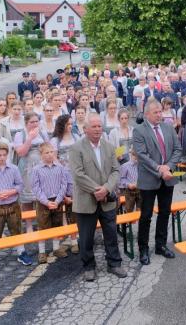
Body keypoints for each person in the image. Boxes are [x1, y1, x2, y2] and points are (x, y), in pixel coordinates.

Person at [68, 113, 127, 281]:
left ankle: (114, 263)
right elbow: (78, 175)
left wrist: (106, 189)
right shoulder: (76, 148)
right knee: (86, 237)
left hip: (107, 200)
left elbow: (116, 170)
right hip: (86, 201)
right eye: (93, 126)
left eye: (99, 126)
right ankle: (89, 266)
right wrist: (97, 190)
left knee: (111, 233)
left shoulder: (109, 147)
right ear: (85, 129)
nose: (97, 129)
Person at [133, 99, 184, 265]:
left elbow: (177, 150)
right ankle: (143, 248)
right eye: (155, 112)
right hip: (149, 179)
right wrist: (159, 169)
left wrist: (168, 167)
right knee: (146, 215)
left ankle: (160, 245)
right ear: (147, 114)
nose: (159, 115)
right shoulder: (139, 130)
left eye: (160, 111)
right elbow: (142, 155)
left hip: (167, 178)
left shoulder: (168, 128)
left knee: (164, 212)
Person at [0, 142, 32, 267]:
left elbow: (20, 185)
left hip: (12, 205)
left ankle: (21, 252)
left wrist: (11, 191)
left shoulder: (13, 168)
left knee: (17, 228)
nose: (2, 158)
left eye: (4, 155)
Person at [31, 143, 73, 263]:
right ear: (41, 155)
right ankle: (42, 251)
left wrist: (58, 200)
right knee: (42, 226)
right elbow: (35, 187)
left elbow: (64, 184)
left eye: (51, 152)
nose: (49, 155)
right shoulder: (36, 170)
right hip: (43, 202)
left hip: (57, 201)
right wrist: (46, 201)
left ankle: (56, 248)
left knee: (57, 224)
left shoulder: (60, 168)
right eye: (46, 153)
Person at [13, 112, 51, 237]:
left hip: (41, 167)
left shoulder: (43, 133)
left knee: (42, 196)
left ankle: (43, 222)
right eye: (32, 122)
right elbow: (21, 152)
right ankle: (29, 225)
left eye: (36, 121)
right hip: (27, 168)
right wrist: (29, 138)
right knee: (27, 198)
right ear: (26, 123)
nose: (35, 124)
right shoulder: (20, 134)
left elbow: (49, 149)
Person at [50, 113, 80, 254]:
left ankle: (74, 239)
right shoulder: (56, 140)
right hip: (62, 175)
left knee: (74, 207)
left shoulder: (76, 137)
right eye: (68, 124)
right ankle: (58, 241)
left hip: (75, 174)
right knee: (62, 207)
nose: (70, 126)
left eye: (71, 124)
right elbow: (54, 158)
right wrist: (62, 169)